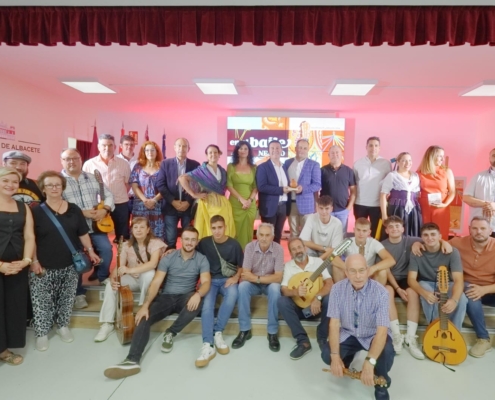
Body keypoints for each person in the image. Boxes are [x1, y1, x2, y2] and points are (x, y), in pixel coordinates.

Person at [103, 227, 210, 379]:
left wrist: (198, 294)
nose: (189, 242)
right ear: (182, 240)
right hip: (166, 297)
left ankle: (171, 332)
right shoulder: (169, 258)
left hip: (186, 296)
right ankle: (132, 360)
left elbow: (206, 282)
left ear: (197, 241)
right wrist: (145, 305)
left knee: (198, 302)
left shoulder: (201, 259)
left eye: (193, 239)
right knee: (143, 316)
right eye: (186, 239)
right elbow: (156, 282)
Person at [30, 171, 100, 351]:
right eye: (49, 185)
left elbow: (83, 233)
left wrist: (91, 251)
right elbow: (31, 238)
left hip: (70, 263)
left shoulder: (74, 209)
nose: (54, 188)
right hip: (43, 265)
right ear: (43, 189)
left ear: (62, 187)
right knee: (42, 301)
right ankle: (42, 333)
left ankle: (62, 326)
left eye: (57, 184)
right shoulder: (35, 211)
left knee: (67, 298)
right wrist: (34, 260)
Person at [321, 254, 394, 400]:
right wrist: (335, 356)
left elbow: (382, 331)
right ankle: (346, 358)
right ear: (346, 272)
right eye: (353, 271)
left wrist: (370, 361)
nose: (358, 276)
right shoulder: (336, 290)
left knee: (386, 352)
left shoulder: (381, 293)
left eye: (361, 270)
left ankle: (381, 383)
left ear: (368, 270)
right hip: (349, 333)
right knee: (327, 355)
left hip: (372, 335)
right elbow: (334, 324)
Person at [95, 217, 166, 342]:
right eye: (135, 227)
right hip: (133, 279)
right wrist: (113, 278)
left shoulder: (156, 243)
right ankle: (107, 323)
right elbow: (119, 266)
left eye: (142, 227)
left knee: (149, 273)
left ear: (148, 229)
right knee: (110, 286)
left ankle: (144, 307)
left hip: (148, 280)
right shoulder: (126, 245)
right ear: (132, 229)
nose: (138, 230)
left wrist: (130, 270)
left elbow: (153, 264)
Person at [60, 148, 114, 307]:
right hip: (73, 229)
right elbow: (54, 205)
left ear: (81, 159)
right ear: (62, 161)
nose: (71, 162)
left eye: (75, 158)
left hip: (95, 226)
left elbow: (109, 195)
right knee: (77, 259)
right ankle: (78, 293)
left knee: (106, 249)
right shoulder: (58, 181)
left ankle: (103, 277)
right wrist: (80, 213)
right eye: (67, 159)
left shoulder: (92, 178)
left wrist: (105, 209)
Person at [196, 215, 243, 367]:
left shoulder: (234, 244)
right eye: (214, 228)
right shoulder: (204, 242)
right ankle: (207, 344)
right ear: (211, 228)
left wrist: (236, 277)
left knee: (233, 295)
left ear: (225, 227)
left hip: (227, 279)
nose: (217, 231)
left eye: (220, 227)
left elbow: (241, 266)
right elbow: (191, 253)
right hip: (210, 280)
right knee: (207, 305)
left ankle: (218, 331)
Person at [0, 167, 35, 366]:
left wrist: (27, 261)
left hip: (17, 267)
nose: (10, 185)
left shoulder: (23, 207)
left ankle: (6, 347)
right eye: (6, 180)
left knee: (14, 307)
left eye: (15, 182)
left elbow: (29, 236)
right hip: (2, 266)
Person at [278, 238, 333, 360]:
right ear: (290, 253)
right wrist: (295, 291)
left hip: (317, 307)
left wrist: (318, 297)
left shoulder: (318, 262)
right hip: (300, 310)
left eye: (299, 247)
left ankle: (322, 337)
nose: (297, 251)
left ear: (305, 248)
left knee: (330, 298)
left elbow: (329, 283)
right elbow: (284, 289)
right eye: (293, 249)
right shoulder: (288, 266)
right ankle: (303, 341)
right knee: (282, 301)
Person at [232, 223, 283, 351]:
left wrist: (257, 278)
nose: (264, 238)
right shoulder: (250, 247)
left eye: (267, 235)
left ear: (272, 237)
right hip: (254, 284)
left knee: (275, 289)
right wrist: (257, 279)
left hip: (268, 284)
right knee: (243, 287)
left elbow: (278, 277)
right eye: (261, 235)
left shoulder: (278, 249)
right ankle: (244, 330)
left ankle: (272, 332)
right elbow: (245, 274)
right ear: (257, 235)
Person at [407, 223, 467, 330]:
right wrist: (424, 293)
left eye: (433, 234)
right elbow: (411, 279)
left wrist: (454, 300)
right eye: (426, 235)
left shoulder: (452, 252)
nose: (429, 238)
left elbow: (458, 279)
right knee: (427, 294)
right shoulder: (416, 252)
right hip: (426, 282)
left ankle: (455, 331)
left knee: (461, 298)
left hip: (448, 283)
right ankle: (435, 328)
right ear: (422, 237)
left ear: (440, 236)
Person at [449, 216, 495, 357]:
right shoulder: (458, 243)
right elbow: (433, 243)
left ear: (490, 230)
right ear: (469, 230)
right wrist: (417, 244)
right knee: (470, 292)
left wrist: (485, 289)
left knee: (474, 291)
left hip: (491, 289)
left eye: (482, 228)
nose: (478, 232)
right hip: (470, 287)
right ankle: (483, 338)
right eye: (474, 228)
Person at [380, 216, 424, 359]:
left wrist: (419, 243)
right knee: (387, 291)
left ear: (403, 229)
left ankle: (411, 337)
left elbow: (431, 240)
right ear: (386, 230)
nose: (394, 229)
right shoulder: (381, 246)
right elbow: (385, 269)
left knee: (413, 292)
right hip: (391, 279)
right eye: (391, 227)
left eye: (397, 226)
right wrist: (398, 288)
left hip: (407, 279)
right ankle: (396, 335)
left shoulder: (410, 240)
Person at [178, 144, 235, 239]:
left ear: (219, 154)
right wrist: (194, 194)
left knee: (224, 230)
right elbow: (181, 178)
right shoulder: (201, 171)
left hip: (223, 205)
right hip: (207, 204)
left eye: (215, 152)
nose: (213, 154)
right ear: (207, 155)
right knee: (208, 231)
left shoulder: (223, 171)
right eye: (210, 153)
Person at [83, 133, 131, 241]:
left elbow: (127, 184)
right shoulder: (89, 164)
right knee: (98, 237)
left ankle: (121, 257)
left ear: (114, 147)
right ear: (98, 146)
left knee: (122, 237)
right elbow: (86, 186)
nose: (107, 148)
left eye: (110, 145)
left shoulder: (124, 164)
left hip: (120, 204)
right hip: (99, 205)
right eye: (104, 145)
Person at [156, 138, 200, 248]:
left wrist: (189, 202)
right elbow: (160, 185)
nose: (181, 148)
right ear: (174, 147)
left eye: (184, 146)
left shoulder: (195, 165)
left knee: (188, 239)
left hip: (188, 208)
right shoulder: (165, 164)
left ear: (188, 149)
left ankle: (188, 263)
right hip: (170, 207)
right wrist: (172, 201)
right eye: (179, 146)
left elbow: (197, 186)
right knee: (170, 239)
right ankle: (172, 262)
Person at [332, 218, 395, 285]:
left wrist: (374, 268)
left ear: (369, 232)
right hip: (351, 274)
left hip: (369, 274)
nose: (361, 233)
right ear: (354, 230)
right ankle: (342, 293)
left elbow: (391, 260)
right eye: (358, 230)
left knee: (383, 271)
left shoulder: (374, 243)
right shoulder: (347, 241)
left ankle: (375, 295)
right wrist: (348, 268)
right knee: (336, 267)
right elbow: (332, 257)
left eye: (364, 231)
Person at [353, 137, 392, 238]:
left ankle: (375, 253)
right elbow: (354, 184)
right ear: (366, 147)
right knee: (360, 232)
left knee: (376, 232)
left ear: (379, 148)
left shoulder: (386, 163)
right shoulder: (358, 163)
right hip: (360, 203)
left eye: (376, 145)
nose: (373, 148)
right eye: (370, 145)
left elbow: (389, 184)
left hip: (377, 205)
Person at [284, 139, 321, 238]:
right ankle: (294, 254)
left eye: (305, 148)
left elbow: (317, 184)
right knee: (294, 234)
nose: (302, 150)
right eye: (300, 147)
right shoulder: (287, 163)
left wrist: (303, 188)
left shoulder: (314, 165)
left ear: (308, 150)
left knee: (306, 235)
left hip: (307, 205)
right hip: (291, 204)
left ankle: (307, 254)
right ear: (295, 148)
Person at [256, 140, 291, 243]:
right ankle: (266, 259)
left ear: (281, 150)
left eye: (277, 148)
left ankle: (276, 258)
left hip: (283, 206)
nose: (275, 150)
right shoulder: (263, 167)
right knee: (267, 237)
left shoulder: (284, 167)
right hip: (269, 207)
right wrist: (281, 190)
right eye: (272, 148)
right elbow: (261, 187)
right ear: (268, 151)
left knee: (278, 235)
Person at [417, 145, 455, 239]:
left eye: (443, 156)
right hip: (424, 208)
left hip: (441, 207)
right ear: (431, 156)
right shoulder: (419, 173)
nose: (442, 158)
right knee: (425, 234)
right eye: (439, 156)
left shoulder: (447, 171)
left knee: (440, 234)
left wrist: (445, 204)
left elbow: (453, 191)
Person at [380, 152, 422, 237]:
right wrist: (384, 214)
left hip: (413, 210)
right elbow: (383, 195)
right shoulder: (392, 176)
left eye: (409, 160)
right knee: (396, 233)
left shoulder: (415, 176)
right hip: (396, 209)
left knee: (412, 233)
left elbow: (417, 194)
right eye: (404, 161)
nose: (407, 163)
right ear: (398, 162)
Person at [130, 141, 165, 240]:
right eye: (147, 150)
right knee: (139, 232)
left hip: (157, 205)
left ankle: (156, 255)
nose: (150, 152)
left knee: (156, 234)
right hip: (140, 206)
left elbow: (165, 187)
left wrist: (154, 200)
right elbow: (134, 186)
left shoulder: (163, 166)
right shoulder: (138, 166)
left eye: (152, 150)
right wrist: (145, 200)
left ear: (157, 152)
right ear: (143, 152)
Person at [226, 140, 258, 249]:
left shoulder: (254, 167)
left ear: (249, 151)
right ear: (237, 151)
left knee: (248, 230)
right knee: (235, 229)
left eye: (245, 148)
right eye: (240, 148)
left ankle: (247, 256)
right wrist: (242, 200)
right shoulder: (231, 166)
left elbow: (255, 187)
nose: (243, 151)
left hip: (250, 204)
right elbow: (229, 186)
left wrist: (249, 200)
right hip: (236, 203)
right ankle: (235, 255)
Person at [320, 145, 356, 233]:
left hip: (343, 211)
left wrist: (349, 208)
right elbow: (316, 189)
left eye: (337, 152)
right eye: (332, 153)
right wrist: (319, 205)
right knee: (325, 235)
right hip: (326, 210)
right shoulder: (322, 170)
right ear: (328, 155)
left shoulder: (349, 171)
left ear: (341, 155)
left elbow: (353, 191)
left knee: (341, 236)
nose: (335, 155)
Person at [463, 148, 495, 237]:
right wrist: (486, 204)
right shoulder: (478, 176)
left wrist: (494, 206)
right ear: (489, 158)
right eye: (494, 155)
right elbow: (466, 197)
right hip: (478, 227)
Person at [117, 135, 137, 218]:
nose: (129, 147)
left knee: (138, 226)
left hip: (136, 199)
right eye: (126, 144)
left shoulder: (139, 161)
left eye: (131, 145)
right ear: (121, 146)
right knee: (123, 227)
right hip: (121, 200)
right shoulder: (115, 160)